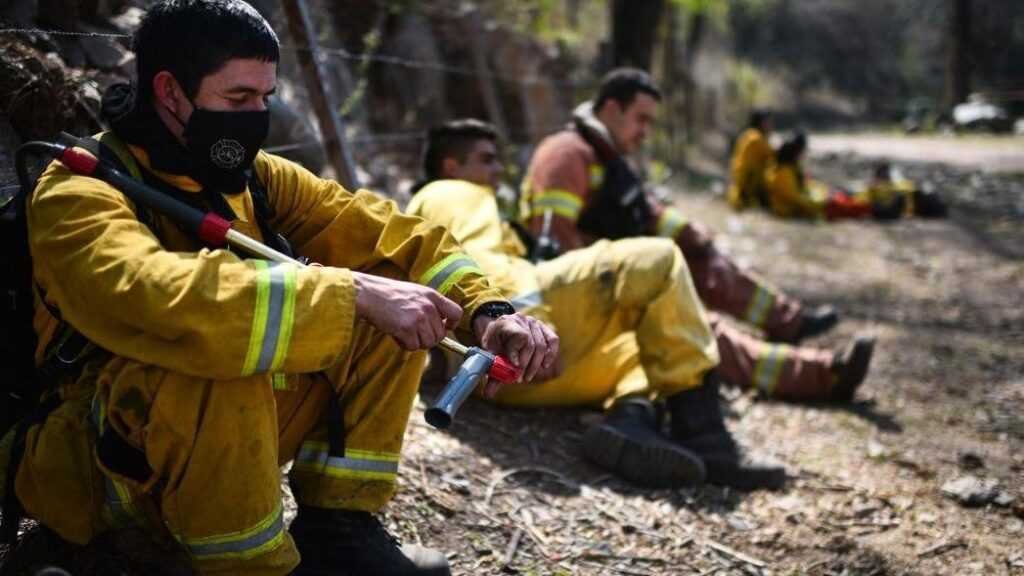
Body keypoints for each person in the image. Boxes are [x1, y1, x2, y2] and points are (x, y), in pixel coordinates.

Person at [1, 2, 557, 575]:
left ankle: (337, 528)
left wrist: (487, 310)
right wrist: (345, 292)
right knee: (222, 354)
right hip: (93, 466)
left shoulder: (254, 179)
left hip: (193, 445)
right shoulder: (79, 189)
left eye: (266, 98)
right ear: (170, 92)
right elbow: (154, 297)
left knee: (397, 291)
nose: (256, 116)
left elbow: (390, 235)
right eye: (238, 99)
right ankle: (250, 566)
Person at [409, 120, 877, 491]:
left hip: (513, 373)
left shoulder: (602, 163)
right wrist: (524, 323)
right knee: (657, 259)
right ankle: (708, 440)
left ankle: (633, 420)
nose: (497, 171)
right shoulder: (449, 192)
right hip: (509, 345)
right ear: (450, 166)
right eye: (486, 160)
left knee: (651, 341)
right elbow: (473, 261)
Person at [520, 69, 873, 400]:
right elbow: (554, 246)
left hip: (616, 269)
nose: (646, 132)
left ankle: (789, 322)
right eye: (641, 119)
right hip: (581, 292)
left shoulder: (606, 154)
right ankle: (823, 375)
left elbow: (643, 211)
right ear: (612, 109)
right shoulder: (567, 156)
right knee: (695, 326)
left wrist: (693, 237)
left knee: (710, 264)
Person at [765, 133, 872, 220]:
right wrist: (819, 204)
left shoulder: (787, 168)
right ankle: (872, 208)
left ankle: (868, 205)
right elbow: (796, 200)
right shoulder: (783, 173)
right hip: (800, 210)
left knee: (841, 198)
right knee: (843, 205)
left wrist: (824, 193)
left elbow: (803, 189)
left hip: (808, 205)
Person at [728, 109, 776, 210]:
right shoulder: (755, 138)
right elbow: (774, 156)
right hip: (747, 185)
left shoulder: (748, 134)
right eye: (768, 121)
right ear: (760, 122)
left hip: (742, 182)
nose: (771, 125)